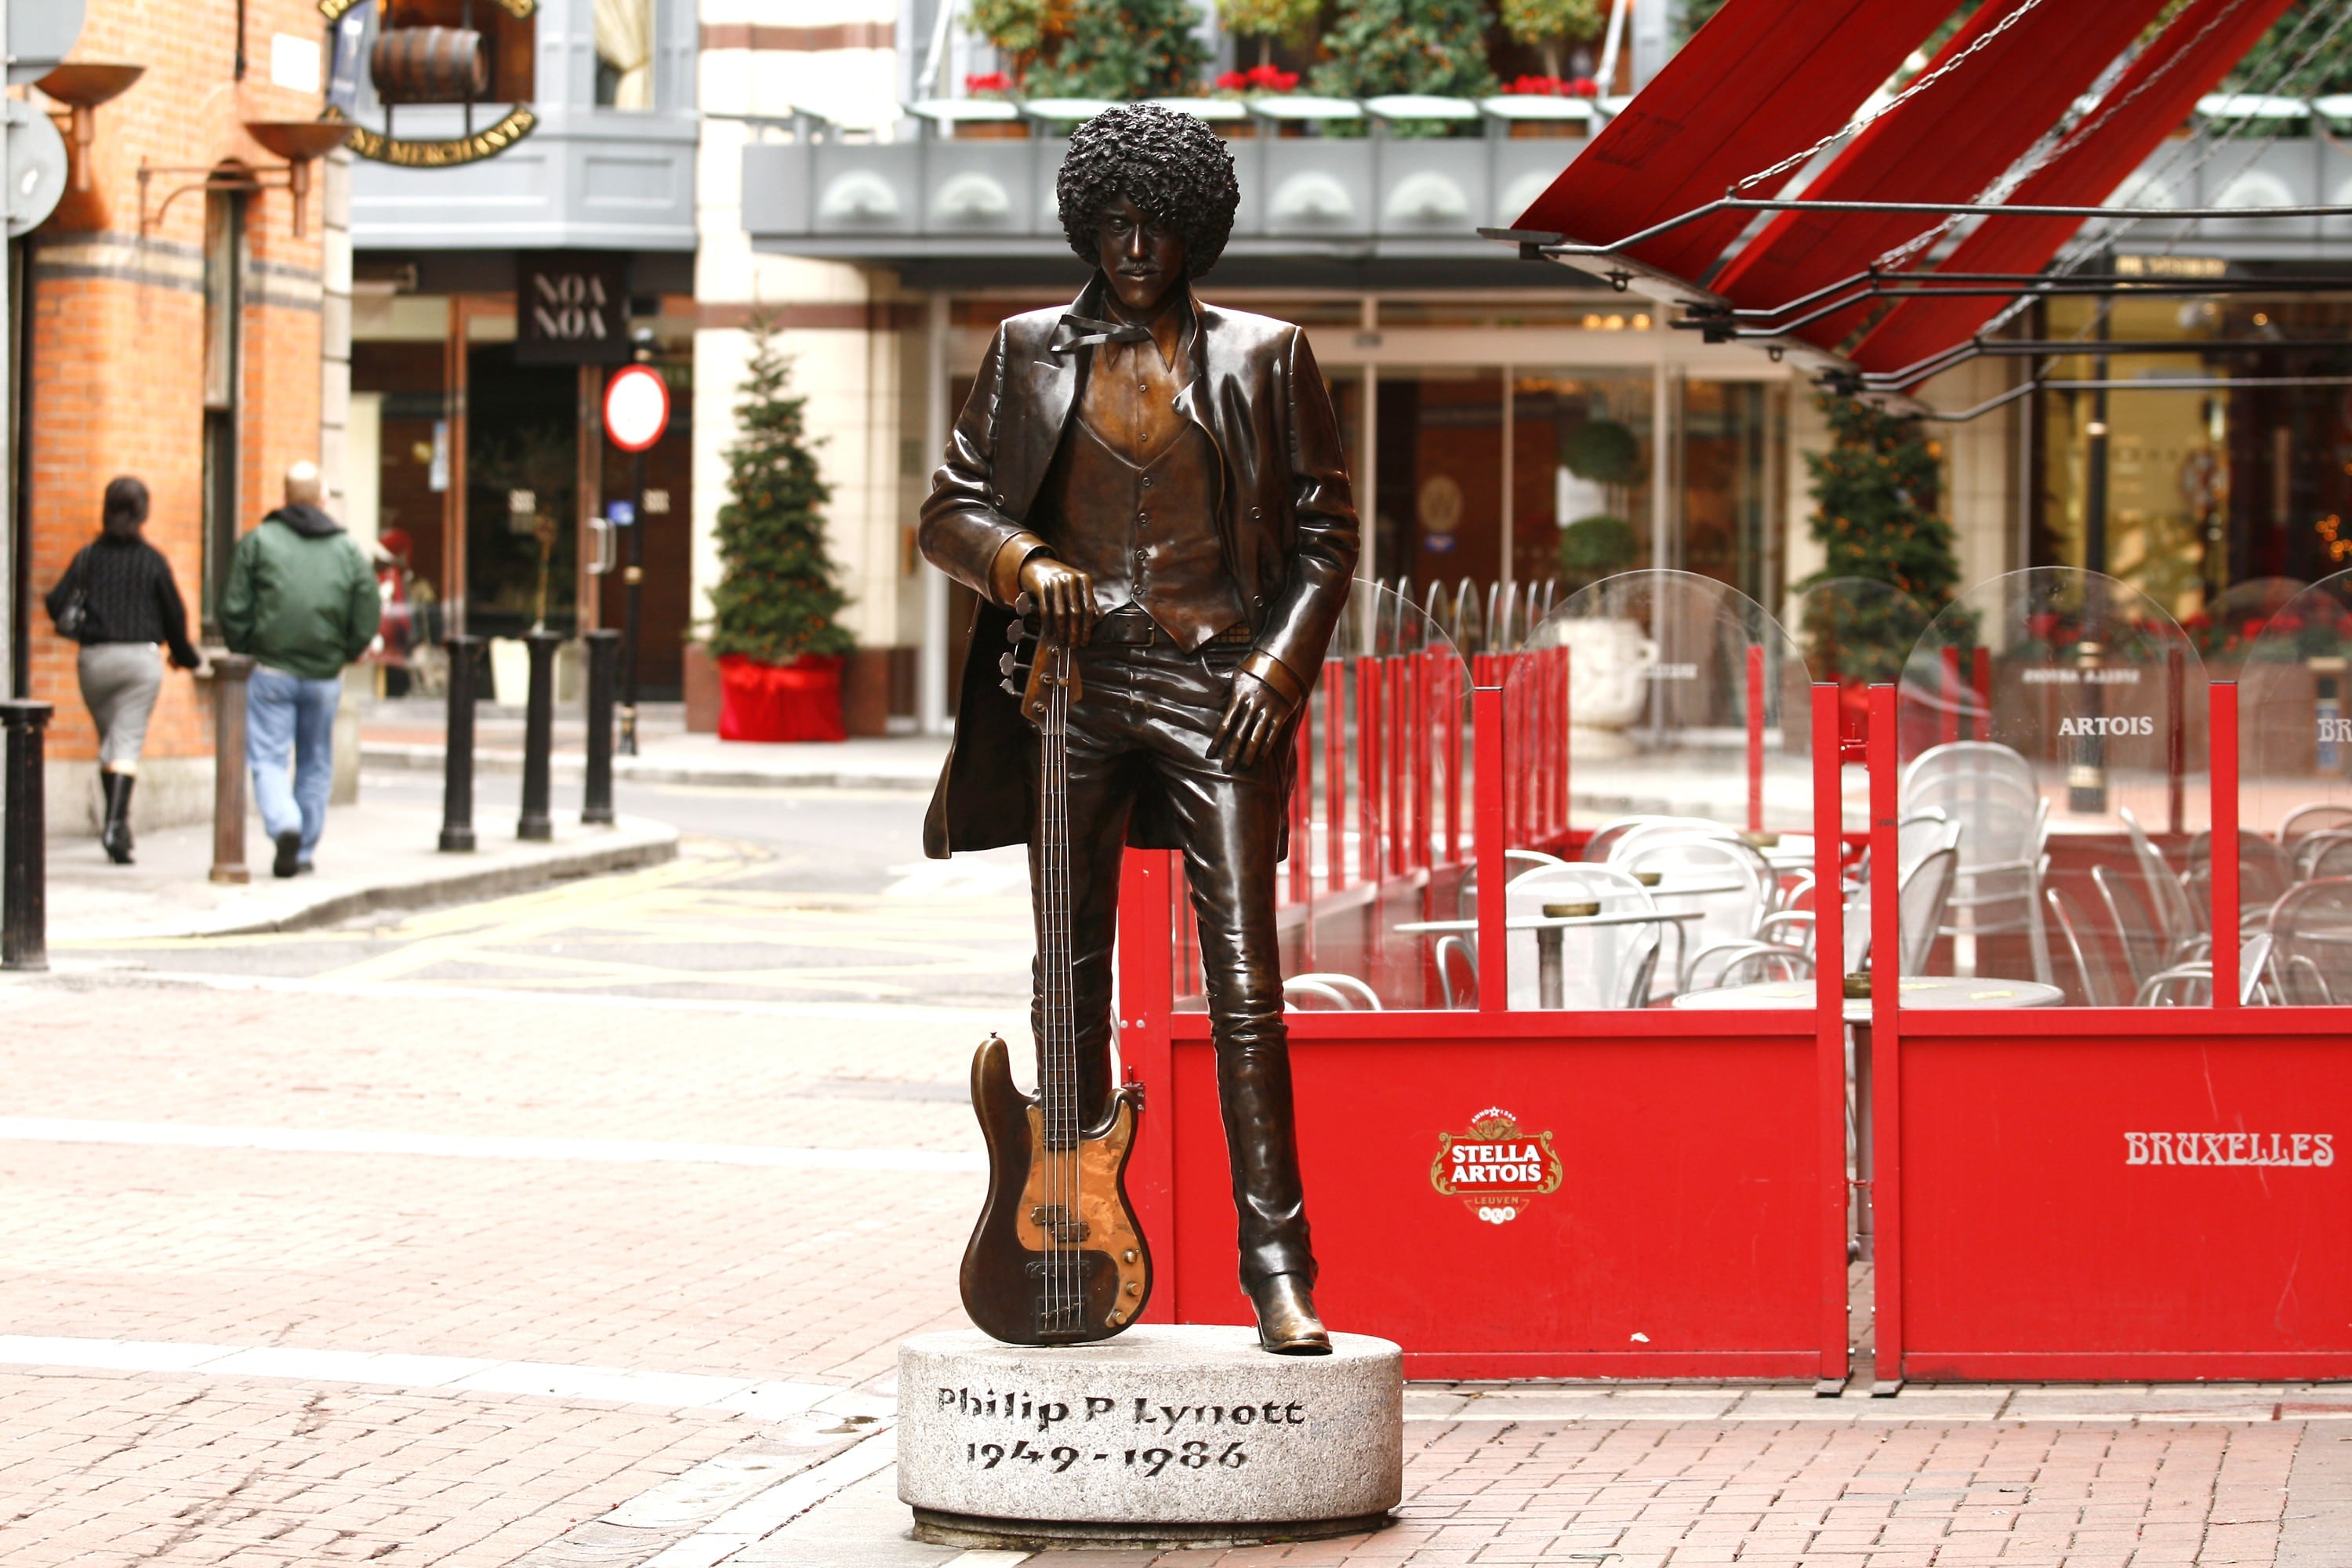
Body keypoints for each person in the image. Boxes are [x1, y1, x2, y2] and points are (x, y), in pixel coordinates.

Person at [919, 104, 1359, 1353]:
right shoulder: (1026, 350)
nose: (1131, 249)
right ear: (1086, 223)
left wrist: (1278, 664)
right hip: (1071, 687)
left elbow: (1328, 538)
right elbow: (949, 510)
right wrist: (1018, 561)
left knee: (1246, 984)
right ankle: (1064, 1229)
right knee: (1068, 974)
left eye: (1155, 227)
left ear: (1193, 233)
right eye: (1112, 224)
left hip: (1218, 684)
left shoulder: (1267, 357)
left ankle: (1279, 1266)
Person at [221, 462, 381, 878]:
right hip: (325, 676)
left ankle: (285, 824)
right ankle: (304, 849)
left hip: (271, 670)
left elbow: (234, 607)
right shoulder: (347, 549)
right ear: (322, 498)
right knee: (315, 761)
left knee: (270, 759)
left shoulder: (259, 541)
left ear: (285, 495)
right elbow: (367, 608)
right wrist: (346, 650)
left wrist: (245, 649)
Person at [42, 476, 204, 864]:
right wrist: (188, 658)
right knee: (126, 743)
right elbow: (175, 617)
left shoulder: (88, 557)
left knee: (110, 743)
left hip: (94, 662)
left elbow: (55, 602)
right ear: (143, 512)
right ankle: (115, 825)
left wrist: (85, 631)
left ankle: (120, 825)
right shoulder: (152, 561)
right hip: (139, 663)